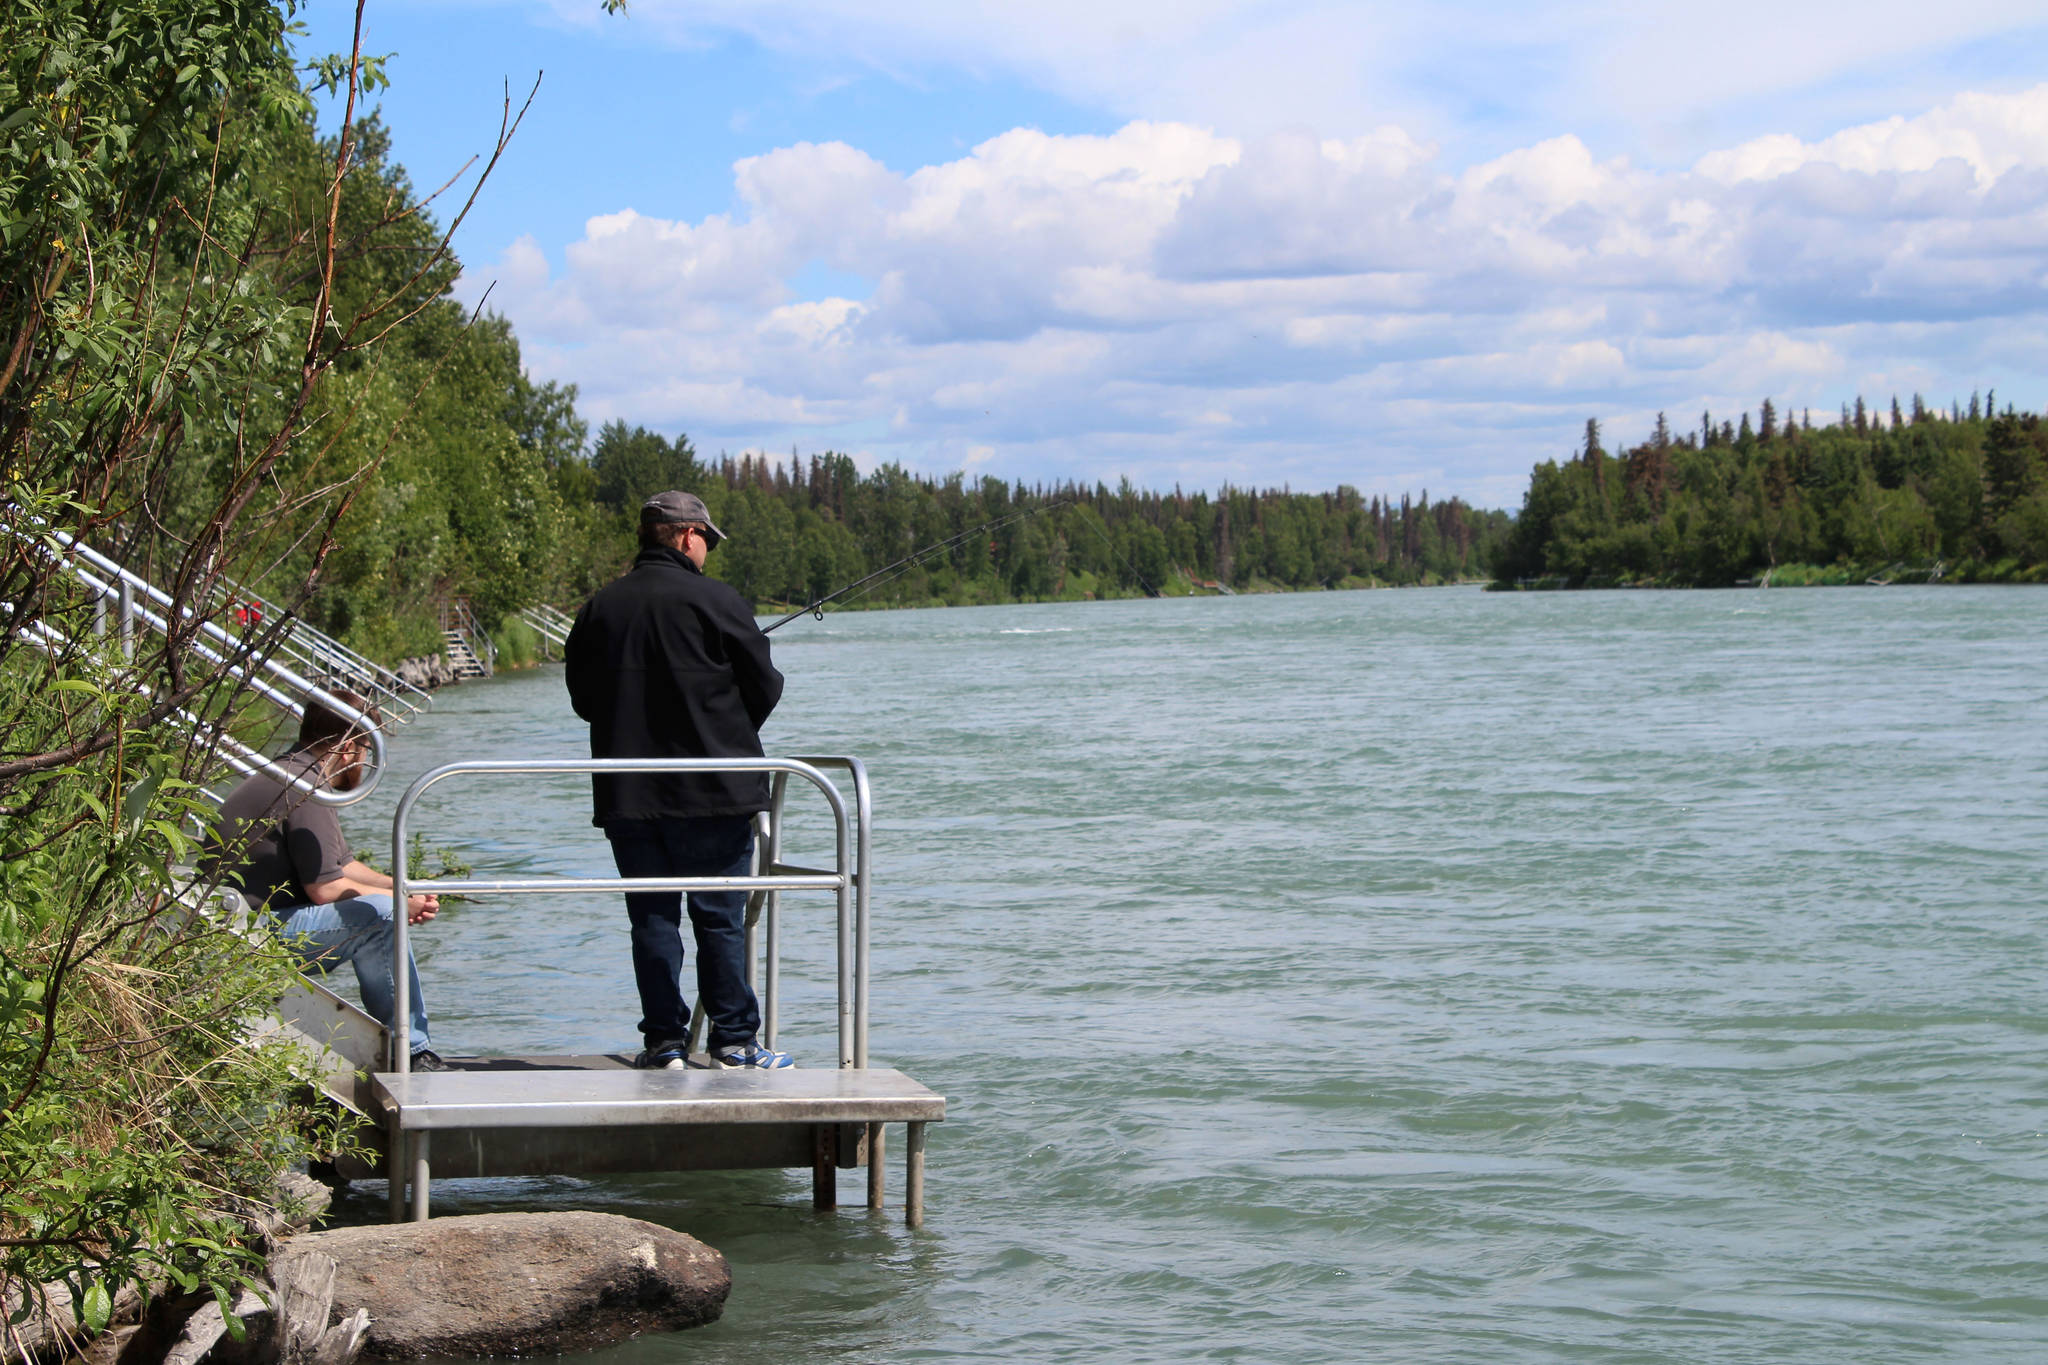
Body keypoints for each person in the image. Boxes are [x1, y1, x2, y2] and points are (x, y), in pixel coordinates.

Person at [564, 489, 793, 1071]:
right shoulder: (717, 601)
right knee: (719, 916)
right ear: (689, 536)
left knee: (652, 918)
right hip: (715, 789)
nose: (708, 551)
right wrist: (722, 730)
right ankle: (734, 1043)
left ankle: (665, 1041)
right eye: (708, 540)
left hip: (629, 792)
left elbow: (584, 699)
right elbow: (764, 684)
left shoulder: (599, 608)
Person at [202, 690, 448, 1071]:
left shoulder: (293, 771)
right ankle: (412, 1052)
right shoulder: (305, 786)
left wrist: (402, 887)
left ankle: (407, 1046)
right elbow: (326, 889)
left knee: (385, 906)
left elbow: (342, 865)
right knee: (381, 917)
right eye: (366, 751)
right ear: (349, 747)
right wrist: (398, 906)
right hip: (245, 936)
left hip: (236, 925)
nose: (364, 762)